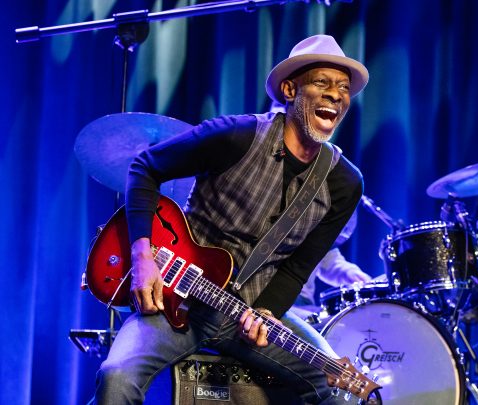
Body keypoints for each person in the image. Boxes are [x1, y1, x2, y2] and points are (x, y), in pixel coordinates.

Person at [93, 34, 369, 404]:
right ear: (290, 89)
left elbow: (298, 267)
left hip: (246, 313)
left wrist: (268, 313)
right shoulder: (236, 135)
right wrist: (142, 255)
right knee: (116, 379)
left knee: (334, 387)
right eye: (322, 83)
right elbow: (145, 167)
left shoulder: (344, 183)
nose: (336, 95)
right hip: (181, 299)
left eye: (344, 88)